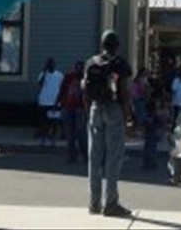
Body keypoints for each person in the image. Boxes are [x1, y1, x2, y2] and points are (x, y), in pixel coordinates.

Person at [82, 30, 132, 217]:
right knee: (113, 157)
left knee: (94, 157)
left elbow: (85, 91)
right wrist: (128, 117)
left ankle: (94, 203)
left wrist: (89, 113)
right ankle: (111, 203)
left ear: (102, 44)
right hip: (114, 109)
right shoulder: (120, 64)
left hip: (95, 109)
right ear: (117, 46)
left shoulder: (90, 63)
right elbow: (125, 93)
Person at [57, 60, 87, 163]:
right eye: (77, 67)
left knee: (81, 133)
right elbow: (62, 90)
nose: (79, 69)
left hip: (80, 108)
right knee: (69, 133)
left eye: (81, 67)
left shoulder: (86, 78)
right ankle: (71, 155)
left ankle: (85, 155)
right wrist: (58, 103)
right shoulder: (69, 76)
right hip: (67, 107)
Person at [36, 57, 64, 146]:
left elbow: (62, 89)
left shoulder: (59, 75)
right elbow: (40, 83)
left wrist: (59, 101)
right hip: (43, 101)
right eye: (48, 63)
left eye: (52, 63)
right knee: (44, 122)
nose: (50, 65)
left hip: (54, 102)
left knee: (54, 122)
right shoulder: (43, 74)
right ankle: (43, 139)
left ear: (55, 65)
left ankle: (53, 140)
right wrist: (44, 72)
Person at [141, 99, 163, 171]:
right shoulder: (155, 116)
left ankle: (149, 164)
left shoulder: (149, 116)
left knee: (149, 150)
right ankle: (150, 164)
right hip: (152, 135)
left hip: (150, 135)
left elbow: (144, 126)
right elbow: (160, 125)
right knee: (150, 150)